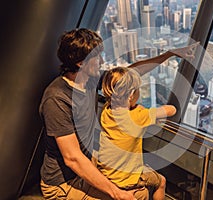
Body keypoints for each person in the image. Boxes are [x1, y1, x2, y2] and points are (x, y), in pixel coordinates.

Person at [39, 28, 199, 200]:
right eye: (96, 57)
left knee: (143, 190)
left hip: (88, 165)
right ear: (80, 63)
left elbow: (130, 73)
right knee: (136, 196)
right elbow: (72, 158)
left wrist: (169, 54)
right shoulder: (57, 98)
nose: (101, 61)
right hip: (63, 183)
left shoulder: (89, 79)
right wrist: (117, 193)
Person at [98, 67, 176, 200]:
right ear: (130, 95)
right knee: (161, 182)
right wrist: (140, 109)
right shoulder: (137, 116)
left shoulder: (107, 110)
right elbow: (171, 110)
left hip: (107, 173)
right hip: (126, 179)